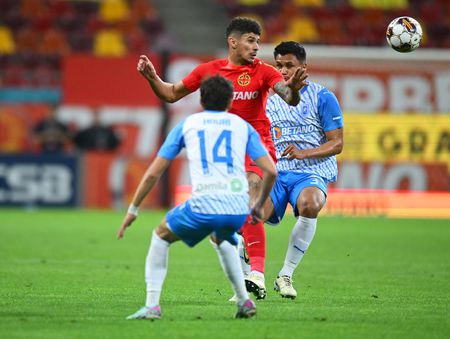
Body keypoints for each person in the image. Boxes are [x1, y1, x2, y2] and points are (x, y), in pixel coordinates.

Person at [137, 17, 307, 299]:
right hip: (226, 150)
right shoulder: (210, 70)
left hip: (257, 144)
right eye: (251, 40)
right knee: (231, 216)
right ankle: (244, 281)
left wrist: (295, 90)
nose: (256, 46)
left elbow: (287, 94)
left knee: (252, 190)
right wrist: (151, 77)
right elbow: (171, 94)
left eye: (257, 41)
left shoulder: (264, 72)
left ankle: (257, 274)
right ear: (233, 42)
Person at [117, 75, 277, 319]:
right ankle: (244, 301)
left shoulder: (187, 125)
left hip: (205, 203)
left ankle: (151, 306)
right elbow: (271, 170)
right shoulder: (242, 126)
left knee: (160, 236)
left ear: (201, 99)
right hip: (236, 207)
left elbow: (153, 173)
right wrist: (256, 206)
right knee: (223, 238)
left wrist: (133, 209)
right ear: (230, 100)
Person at [261, 41, 344, 299]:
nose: (283, 71)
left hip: (311, 171)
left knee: (310, 204)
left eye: (289, 65)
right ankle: (249, 279)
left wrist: (304, 152)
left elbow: (337, 143)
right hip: (277, 172)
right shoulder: (269, 101)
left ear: (303, 68)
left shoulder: (323, 97)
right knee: (250, 215)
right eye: (279, 66)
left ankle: (285, 275)